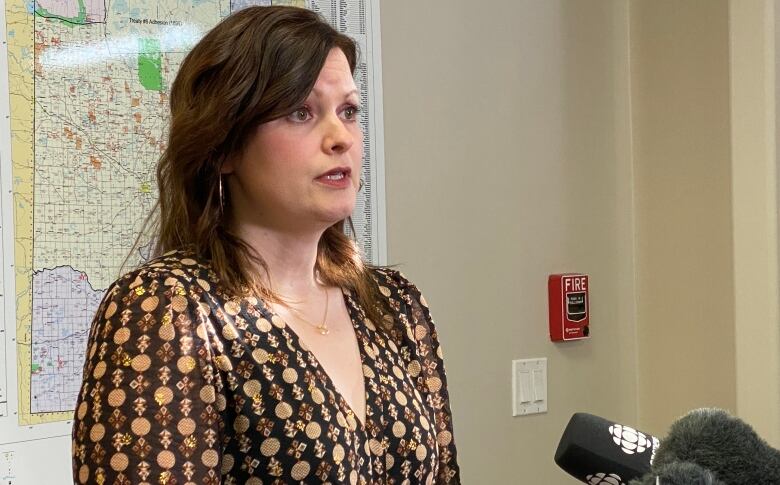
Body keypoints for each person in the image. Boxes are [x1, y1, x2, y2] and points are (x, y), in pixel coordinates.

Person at [71, 5, 460, 484]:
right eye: (301, 112)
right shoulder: (165, 310)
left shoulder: (396, 305)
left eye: (349, 111)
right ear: (225, 146)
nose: (341, 137)